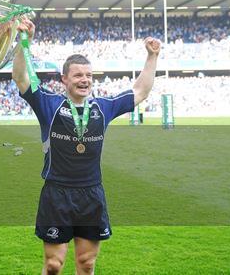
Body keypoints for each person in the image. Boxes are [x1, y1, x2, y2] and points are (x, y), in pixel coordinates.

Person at [12, 18, 160, 275]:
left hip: (91, 194)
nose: (85, 80)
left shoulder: (102, 108)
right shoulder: (48, 104)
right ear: (64, 79)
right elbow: (20, 77)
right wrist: (24, 42)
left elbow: (140, 91)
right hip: (57, 193)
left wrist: (152, 57)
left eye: (89, 76)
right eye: (78, 75)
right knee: (53, 266)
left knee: (87, 264)